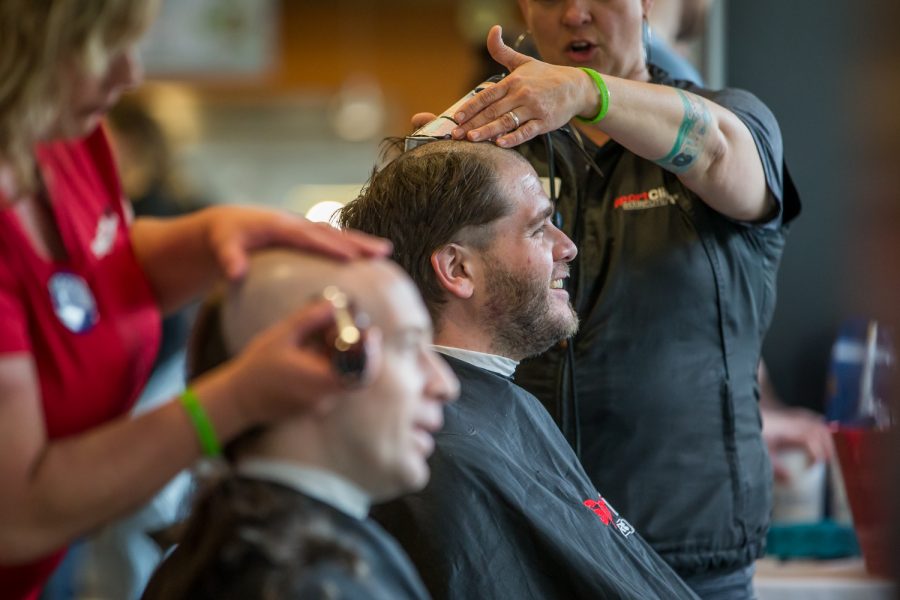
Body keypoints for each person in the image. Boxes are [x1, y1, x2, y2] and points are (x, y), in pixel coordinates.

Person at [0, 2, 389, 598]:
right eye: (104, 49)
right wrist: (233, 400)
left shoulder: (59, 134)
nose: (130, 74)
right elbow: (17, 516)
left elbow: (96, 267)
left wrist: (210, 235)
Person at [430, 4, 802, 596]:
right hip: (533, 546)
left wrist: (583, 91)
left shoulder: (730, 118)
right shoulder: (500, 152)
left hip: (691, 556)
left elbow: (715, 150)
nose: (576, 12)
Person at [340, 139, 699, 599]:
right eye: (538, 228)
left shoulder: (505, 408)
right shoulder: (440, 463)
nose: (566, 247)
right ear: (457, 268)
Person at [142, 250, 457, 599]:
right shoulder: (299, 583)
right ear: (323, 356)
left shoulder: (228, 553)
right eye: (409, 346)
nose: (445, 384)